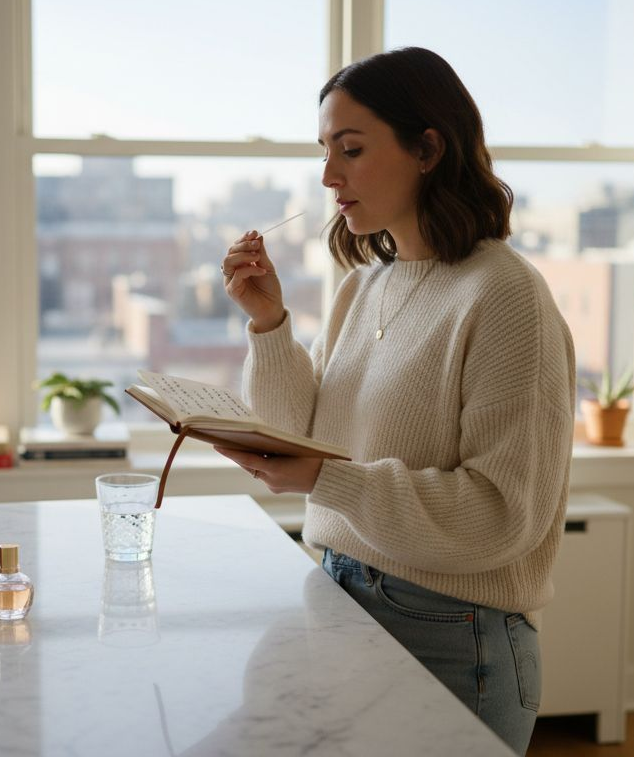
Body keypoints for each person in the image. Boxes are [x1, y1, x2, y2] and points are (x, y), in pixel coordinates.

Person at [215, 46, 576, 755]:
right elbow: (301, 437)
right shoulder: (364, 286)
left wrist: (326, 479)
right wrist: (269, 323)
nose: (328, 177)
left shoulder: (504, 296)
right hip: (339, 597)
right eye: (325, 151)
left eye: (350, 149)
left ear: (428, 148)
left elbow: (502, 516)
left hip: (450, 636)